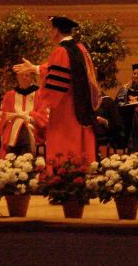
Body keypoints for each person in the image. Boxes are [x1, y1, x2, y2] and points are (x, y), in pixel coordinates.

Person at [13, 16, 100, 164]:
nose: (50, 32)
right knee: (81, 144)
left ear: (55, 31)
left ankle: (63, 174)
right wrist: (35, 68)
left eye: (51, 29)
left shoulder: (61, 51)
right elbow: (60, 69)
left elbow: (57, 80)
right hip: (81, 106)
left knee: (65, 146)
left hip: (66, 108)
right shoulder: (80, 49)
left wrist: (44, 98)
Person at [0, 71, 47, 156]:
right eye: (21, 75)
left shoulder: (40, 95)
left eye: (27, 75)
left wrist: (30, 117)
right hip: (12, 128)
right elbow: (4, 117)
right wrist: (18, 119)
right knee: (19, 123)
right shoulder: (9, 96)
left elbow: (44, 117)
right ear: (17, 78)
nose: (24, 77)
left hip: (34, 128)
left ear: (32, 77)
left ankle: (15, 157)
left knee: (22, 124)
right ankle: (26, 156)